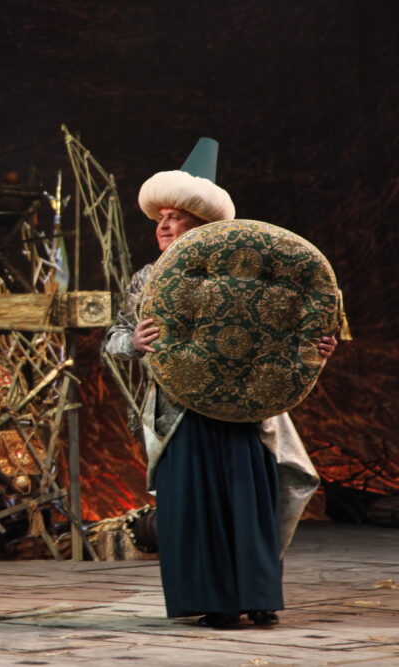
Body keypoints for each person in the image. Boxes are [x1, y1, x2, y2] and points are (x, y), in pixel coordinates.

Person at [104, 138, 336, 628]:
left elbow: (293, 326)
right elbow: (114, 338)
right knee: (194, 506)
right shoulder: (148, 279)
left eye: (176, 217)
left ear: (204, 225)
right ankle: (214, 601)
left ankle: (257, 595)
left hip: (246, 410)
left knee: (249, 502)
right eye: (160, 218)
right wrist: (134, 341)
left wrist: (316, 346)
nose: (163, 226)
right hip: (181, 410)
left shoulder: (251, 271)